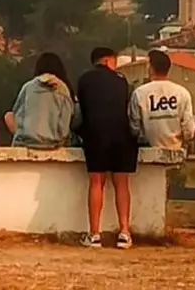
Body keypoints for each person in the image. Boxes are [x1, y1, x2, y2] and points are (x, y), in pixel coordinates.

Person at [76, 46, 138, 249]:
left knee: (96, 183)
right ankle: (125, 232)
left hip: (95, 134)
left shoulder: (84, 79)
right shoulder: (121, 80)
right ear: (110, 61)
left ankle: (94, 234)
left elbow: (81, 110)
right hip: (121, 135)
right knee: (122, 183)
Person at [5, 52, 76, 149]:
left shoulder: (28, 87)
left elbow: (17, 115)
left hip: (26, 143)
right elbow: (65, 124)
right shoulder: (63, 89)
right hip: (53, 144)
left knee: (8, 115)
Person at [129, 50, 195, 151]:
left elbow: (134, 129)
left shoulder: (139, 93)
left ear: (150, 68)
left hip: (146, 153)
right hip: (176, 152)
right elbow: (189, 130)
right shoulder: (183, 93)